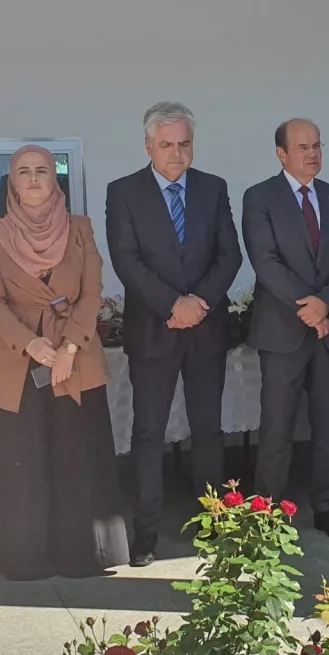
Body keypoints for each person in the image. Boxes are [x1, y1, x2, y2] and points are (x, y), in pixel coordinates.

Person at [0, 145, 127, 580]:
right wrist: (32, 345)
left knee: (75, 455)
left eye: (42, 170)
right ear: (13, 182)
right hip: (19, 359)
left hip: (76, 357)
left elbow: (92, 293)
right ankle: (24, 558)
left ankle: (81, 554)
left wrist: (69, 348)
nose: (34, 178)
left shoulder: (80, 228)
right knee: (23, 459)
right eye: (24, 171)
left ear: (55, 179)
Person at [106, 102, 242, 567]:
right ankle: (146, 531)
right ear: (149, 146)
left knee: (208, 429)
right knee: (149, 432)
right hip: (154, 329)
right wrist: (172, 305)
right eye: (167, 145)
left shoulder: (213, 188)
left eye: (184, 144)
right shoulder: (124, 192)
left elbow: (229, 254)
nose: (177, 154)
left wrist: (198, 302)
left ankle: (214, 524)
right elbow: (126, 260)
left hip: (205, 327)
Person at [242, 119, 329, 541]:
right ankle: (268, 514)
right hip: (282, 331)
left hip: (328, 330)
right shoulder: (260, 197)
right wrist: (309, 307)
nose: (312, 154)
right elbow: (266, 262)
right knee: (277, 426)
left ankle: (327, 506)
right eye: (302, 147)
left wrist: (324, 303)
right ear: (281, 154)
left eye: (317, 146)